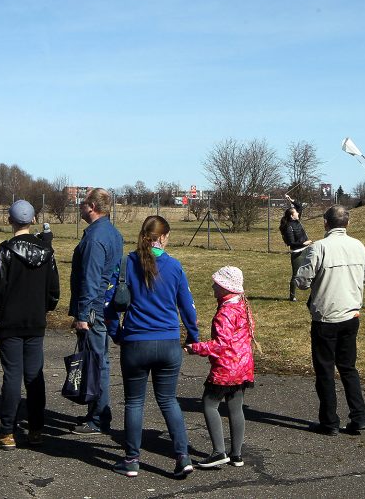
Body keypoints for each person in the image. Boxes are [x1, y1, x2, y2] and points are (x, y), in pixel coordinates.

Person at [107, 215, 199, 478]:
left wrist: (117, 334)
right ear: (164, 237)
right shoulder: (174, 266)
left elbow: (109, 305)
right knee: (168, 400)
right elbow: (188, 308)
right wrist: (192, 336)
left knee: (134, 402)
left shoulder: (126, 264)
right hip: (168, 343)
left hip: (135, 342)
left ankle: (132, 459)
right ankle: (182, 456)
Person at [0, 200, 60, 449]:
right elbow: (53, 291)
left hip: (10, 323)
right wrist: (42, 309)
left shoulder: (5, 251)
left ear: (9, 220)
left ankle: (7, 432)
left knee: (12, 376)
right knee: (34, 376)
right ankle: (35, 429)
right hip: (35, 322)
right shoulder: (47, 252)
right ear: (33, 220)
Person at [295, 205, 365, 436]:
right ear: (347, 223)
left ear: (326, 223)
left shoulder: (319, 247)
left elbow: (302, 282)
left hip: (326, 318)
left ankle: (329, 422)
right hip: (350, 315)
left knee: (325, 371)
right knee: (348, 368)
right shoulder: (358, 246)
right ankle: (359, 417)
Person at [186, 266, 256, 469]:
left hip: (226, 367)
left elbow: (220, 344)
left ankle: (218, 451)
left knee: (209, 404)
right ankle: (237, 454)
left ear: (226, 288)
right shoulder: (243, 305)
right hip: (243, 365)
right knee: (235, 407)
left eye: (217, 284)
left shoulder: (225, 313)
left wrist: (196, 348)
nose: (213, 287)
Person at [69, 188, 124, 436]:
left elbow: (91, 278)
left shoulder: (94, 238)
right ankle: (96, 412)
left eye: (83, 203)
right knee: (99, 360)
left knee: (96, 361)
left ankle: (100, 417)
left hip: (94, 308)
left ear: (91, 206)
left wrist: (83, 314)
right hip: (106, 304)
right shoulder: (113, 233)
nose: (80, 207)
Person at [280, 194, 312, 301]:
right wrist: (304, 243)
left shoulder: (297, 221)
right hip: (297, 253)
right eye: (295, 213)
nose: (298, 213)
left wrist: (291, 200)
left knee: (313, 271)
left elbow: (299, 207)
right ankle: (292, 297)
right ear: (291, 216)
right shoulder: (289, 227)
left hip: (306, 249)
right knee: (296, 275)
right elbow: (291, 243)